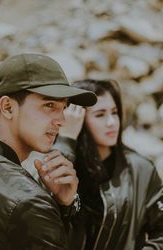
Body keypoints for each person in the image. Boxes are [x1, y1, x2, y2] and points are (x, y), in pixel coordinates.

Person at [0, 54, 97, 250]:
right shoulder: (30, 201)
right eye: (49, 105)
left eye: (64, 107)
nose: (61, 120)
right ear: (8, 108)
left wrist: (64, 204)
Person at [55, 79, 163, 250]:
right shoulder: (59, 158)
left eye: (115, 112)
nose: (112, 122)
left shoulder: (140, 169)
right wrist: (66, 140)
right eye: (100, 115)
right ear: (77, 119)